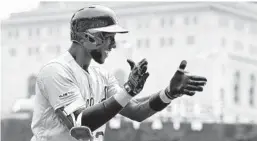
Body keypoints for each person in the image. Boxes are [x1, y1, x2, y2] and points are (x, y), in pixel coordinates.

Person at [30, 5, 207, 141]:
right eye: (109, 38)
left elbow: (136, 111)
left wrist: (168, 93)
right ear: (88, 37)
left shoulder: (102, 75)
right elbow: (80, 124)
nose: (114, 45)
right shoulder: (55, 71)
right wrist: (128, 90)